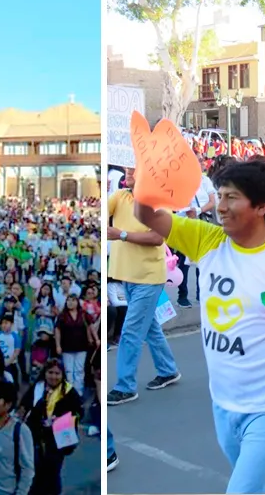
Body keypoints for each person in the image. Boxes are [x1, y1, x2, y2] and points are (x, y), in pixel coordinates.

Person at [134, 161, 265, 492]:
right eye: (219, 195)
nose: (220, 206)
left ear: (262, 206)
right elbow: (147, 216)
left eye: (231, 197)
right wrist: (148, 178)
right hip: (223, 402)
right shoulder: (206, 239)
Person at [106, 167, 180, 406]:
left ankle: (125, 386)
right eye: (127, 165)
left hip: (148, 278)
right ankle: (168, 370)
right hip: (126, 276)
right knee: (149, 328)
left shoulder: (159, 202)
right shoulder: (120, 196)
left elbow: (157, 238)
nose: (128, 170)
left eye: (134, 167)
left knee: (130, 331)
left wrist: (122, 235)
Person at [18, 359, 83, 495]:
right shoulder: (38, 388)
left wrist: (62, 418)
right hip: (35, 436)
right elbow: (24, 406)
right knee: (34, 472)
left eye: (57, 373)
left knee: (52, 473)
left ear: (62, 374)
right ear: (45, 373)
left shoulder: (68, 391)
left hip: (57, 439)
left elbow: (79, 412)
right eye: (50, 372)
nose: (53, 376)